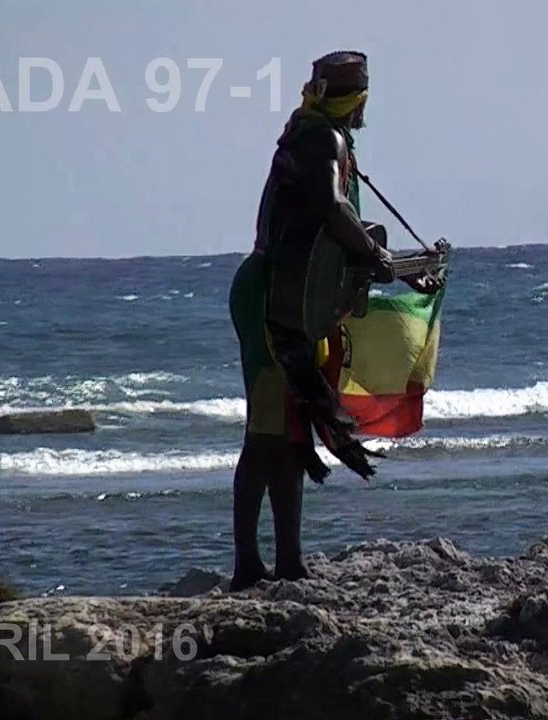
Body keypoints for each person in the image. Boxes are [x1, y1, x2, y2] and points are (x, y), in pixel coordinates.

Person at [227, 50, 440, 591]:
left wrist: (402, 269)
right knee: (266, 435)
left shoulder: (317, 136)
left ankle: (290, 561)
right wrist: (377, 251)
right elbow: (330, 207)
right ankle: (248, 566)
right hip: (273, 303)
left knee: (293, 433)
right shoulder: (322, 140)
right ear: (358, 101)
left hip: (296, 301)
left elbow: (334, 240)